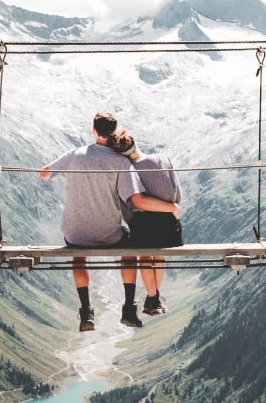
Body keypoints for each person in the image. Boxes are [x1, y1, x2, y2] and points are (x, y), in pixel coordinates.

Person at [40, 112, 180, 332]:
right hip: (108, 234)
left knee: (78, 253)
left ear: (93, 130)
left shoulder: (75, 155)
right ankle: (129, 308)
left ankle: (86, 310)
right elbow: (137, 200)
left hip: (74, 232)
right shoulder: (120, 162)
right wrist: (171, 208)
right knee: (130, 248)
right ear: (114, 131)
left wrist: (73, 173)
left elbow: (45, 173)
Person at [110, 129, 183, 316]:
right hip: (170, 228)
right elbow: (178, 195)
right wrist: (171, 209)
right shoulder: (162, 159)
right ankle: (153, 299)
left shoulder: (128, 170)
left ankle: (153, 298)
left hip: (143, 228)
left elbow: (134, 203)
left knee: (144, 256)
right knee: (159, 256)